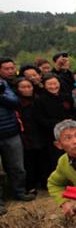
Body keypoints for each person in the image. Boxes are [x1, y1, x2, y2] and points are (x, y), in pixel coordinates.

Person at [1, 76, 33, 215]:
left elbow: (15, 102)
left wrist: (0, 94)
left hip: (10, 133)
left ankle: (20, 192)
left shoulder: (2, 84)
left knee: (17, 167)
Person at [34, 74, 76, 175]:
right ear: (44, 85)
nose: (53, 86)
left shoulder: (65, 97)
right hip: (52, 136)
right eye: (49, 84)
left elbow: (74, 111)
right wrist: (59, 124)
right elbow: (40, 119)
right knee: (57, 161)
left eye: (55, 83)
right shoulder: (40, 100)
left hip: (70, 133)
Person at [16, 78, 48, 195]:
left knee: (43, 160)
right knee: (28, 162)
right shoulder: (16, 103)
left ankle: (45, 182)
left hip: (40, 133)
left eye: (29, 86)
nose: (27, 89)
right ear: (18, 89)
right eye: (23, 87)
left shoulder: (38, 99)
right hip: (26, 135)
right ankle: (30, 185)